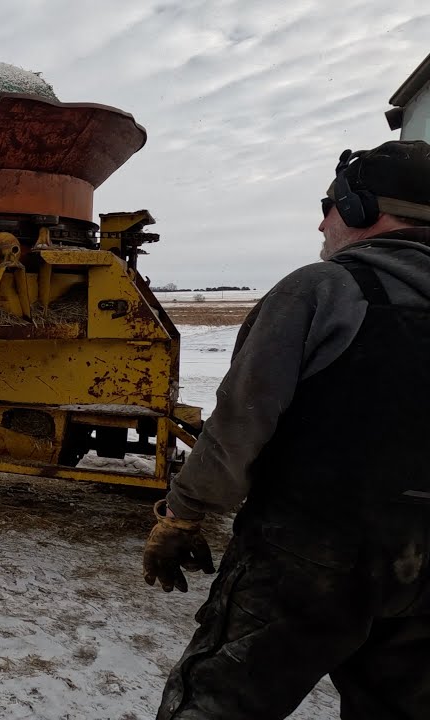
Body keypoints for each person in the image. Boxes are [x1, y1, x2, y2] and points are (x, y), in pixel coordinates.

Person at [142, 140, 430, 719]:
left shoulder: (321, 290)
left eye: (329, 204)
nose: (320, 222)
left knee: (220, 702)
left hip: (313, 552)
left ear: (356, 208)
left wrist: (184, 513)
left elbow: (241, 419)